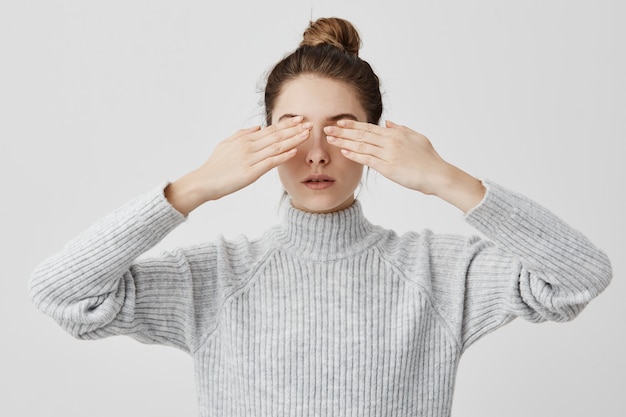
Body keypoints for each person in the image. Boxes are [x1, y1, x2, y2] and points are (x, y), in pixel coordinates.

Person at [30, 17, 612, 417]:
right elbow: (64, 296)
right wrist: (196, 186)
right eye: (292, 130)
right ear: (262, 140)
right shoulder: (217, 276)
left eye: (339, 130)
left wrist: (444, 179)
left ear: (375, 140)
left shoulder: (436, 271)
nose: (316, 153)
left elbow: (580, 277)